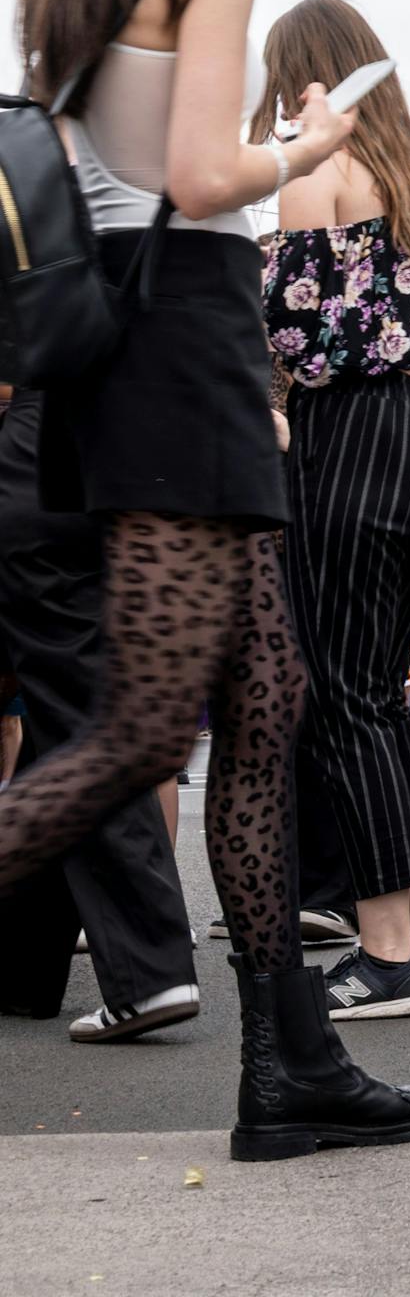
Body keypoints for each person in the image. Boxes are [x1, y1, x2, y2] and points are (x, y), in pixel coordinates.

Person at [0, 0, 410, 1156]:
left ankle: (291, 1064)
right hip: (183, 338)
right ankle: (290, 1064)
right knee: (142, 734)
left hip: (107, 351)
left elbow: (102, 169)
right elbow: (197, 177)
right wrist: (302, 145)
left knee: (269, 709)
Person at [259, 0, 410, 1022]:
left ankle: (387, 950)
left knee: (342, 695)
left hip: (354, 443)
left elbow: (304, 345)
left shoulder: (320, 175)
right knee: (377, 691)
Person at [0, 387, 198, 1042]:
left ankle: (149, 970)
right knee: (65, 717)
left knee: (80, 717)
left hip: (40, 447)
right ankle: (23, 966)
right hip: (114, 446)